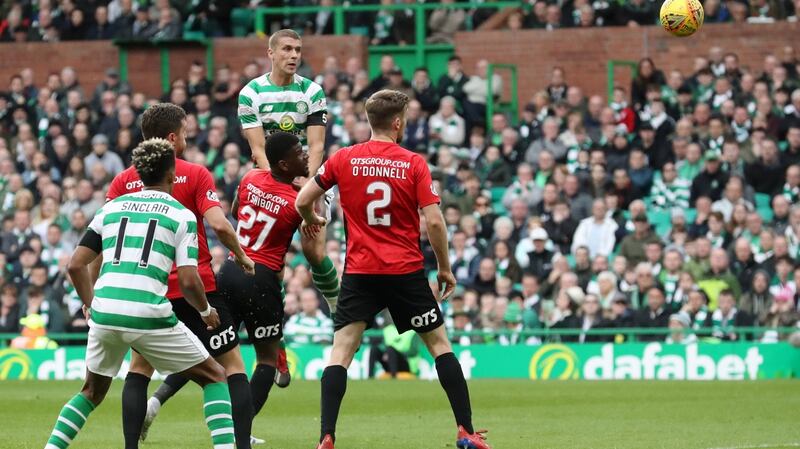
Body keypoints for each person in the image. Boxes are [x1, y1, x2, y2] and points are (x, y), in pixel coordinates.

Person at [296, 90, 491, 449]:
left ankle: (326, 436)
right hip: (404, 271)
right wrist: (444, 269)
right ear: (398, 122)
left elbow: (302, 199)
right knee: (439, 346)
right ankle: (465, 432)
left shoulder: (343, 158)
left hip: (361, 270)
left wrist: (312, 218)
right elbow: (433, 222)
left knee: (341, 351)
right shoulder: (413, 163)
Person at [43, 138, 236, 449]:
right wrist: (204, 312)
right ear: (172, 174)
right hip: (148, 313)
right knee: (214, 375)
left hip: (105, 312)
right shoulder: (180, 215)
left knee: (91, 391)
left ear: (139, 174)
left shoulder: (111, 208)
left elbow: (77, 265)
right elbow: (188, 280)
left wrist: (91, 304)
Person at [104, 104, 256, 449]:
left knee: (139, 368)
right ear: (173, 138)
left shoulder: (122, 181)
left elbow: (103, 237)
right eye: (185, 133)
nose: (187, 138)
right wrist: (243, 256)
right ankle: (241, 446)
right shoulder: (196, 173)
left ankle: (130, 447)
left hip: (148, 289)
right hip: (196, 286)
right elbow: (218, 223)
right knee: (231, 366)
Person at [215, 131, 325, 429]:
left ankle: (158, 399)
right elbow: (314, 242)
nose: (305, 156)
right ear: (284, 164)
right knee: (267, 359)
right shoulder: (298, 201)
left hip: (229, 268)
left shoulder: (251, 177)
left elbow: (237, 211)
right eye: (299, 153)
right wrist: (318, 194)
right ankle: (242, 431)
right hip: (260, 278)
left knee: (215, 351)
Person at [237, 29, 340, 338]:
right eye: (286, 49)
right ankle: (274, 336)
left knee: (313, 251)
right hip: (269, 183)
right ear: (271, 53)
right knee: (269, 265)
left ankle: (337, 307)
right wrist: (279, 187)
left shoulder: (312, 92)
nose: (294, 55)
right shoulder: (251, 93)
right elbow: (257, 150)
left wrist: (307, 189)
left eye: (298, 49)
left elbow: (317, 147)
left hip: (308, 181)